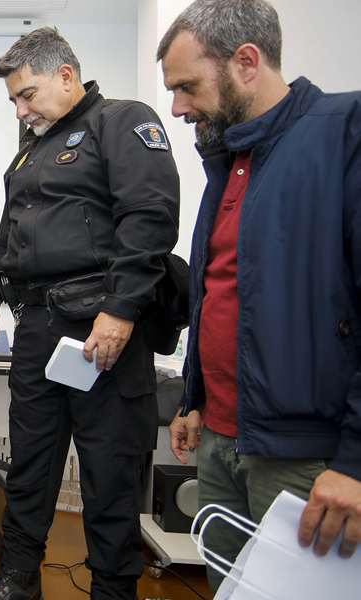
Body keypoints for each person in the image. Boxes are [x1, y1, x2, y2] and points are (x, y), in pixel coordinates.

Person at [157, 0, 361, 593]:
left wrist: (354, 462)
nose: (177, 106)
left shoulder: (342, 132)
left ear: (246, 61)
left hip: (304, 455)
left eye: (187, 86)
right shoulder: (230, 161)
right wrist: (194, 396)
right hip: (222, 439)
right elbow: (219, 294)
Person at [0, 27, 180, 600]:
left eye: (28, 94)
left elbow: (150, 219)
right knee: (30, 459)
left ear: (66, 75)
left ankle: (113, 588)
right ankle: (18, 577)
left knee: (109, 468)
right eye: (13, 99)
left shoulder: (121, 121)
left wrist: (120, 309)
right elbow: (8, 235)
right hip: (37, 328)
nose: (20, 108)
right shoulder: (29, 148)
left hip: (102, 328)